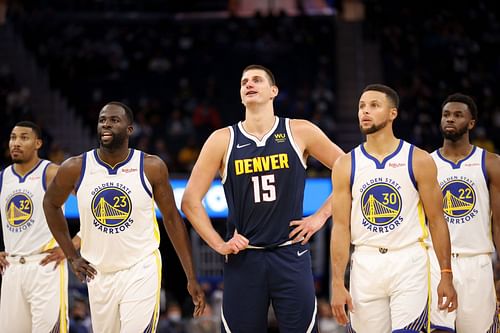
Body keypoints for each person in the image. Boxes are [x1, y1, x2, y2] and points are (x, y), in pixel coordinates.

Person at [181, 64, 344, 332]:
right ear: (241, 94)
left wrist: (320, 217)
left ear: (273, 91)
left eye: (257, 80)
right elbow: (189, 201)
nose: (249, 84)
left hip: (290, 253)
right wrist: (219, 244)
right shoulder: (222, 139)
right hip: (244, 259)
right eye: (244, 82)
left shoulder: (300, 131)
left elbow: (350, 171)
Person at [43, 102, 206, 332]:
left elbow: (172, 219)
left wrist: (191, 276)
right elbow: (50, 204)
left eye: (114, 120)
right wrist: (72, 256)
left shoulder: (151, 166)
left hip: (140, 268)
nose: (106, 124)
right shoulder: (75, 167)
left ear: (130, 129)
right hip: (98, 274)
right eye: (102, 120)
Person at [330, 84, 457, 333]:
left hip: (409, 261)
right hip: (365, 262)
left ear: (392, 114)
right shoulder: (345, 164)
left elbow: (437, 221)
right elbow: (341, 227)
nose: (365, 111)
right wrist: (337, 282)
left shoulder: (419, 159)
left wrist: (446, 274)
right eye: (361, 106)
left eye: (374, 106)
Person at [429, 93, 500, 332]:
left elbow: (499, 223)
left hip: (477, 261)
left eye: (458, 115)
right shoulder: (426, 164)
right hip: (436, 262)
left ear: (471, 123)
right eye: (446, 114)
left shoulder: (490, 162)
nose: (450, 119)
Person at [0, 121, 69, 332]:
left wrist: (72, 245)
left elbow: (91, 204)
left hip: (45, 266)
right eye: (13, 138)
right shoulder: (3, 178)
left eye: (23, 138)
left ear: (37, 143)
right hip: (11, 269)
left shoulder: (52, 172)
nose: (16, 143)